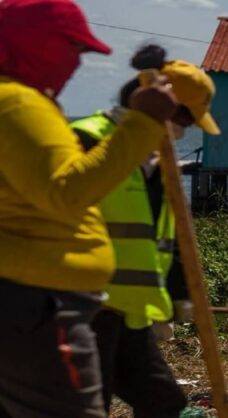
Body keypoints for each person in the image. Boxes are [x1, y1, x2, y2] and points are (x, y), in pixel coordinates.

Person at [0, 1, 179, 417]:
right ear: (37, 44)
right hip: (39, 304)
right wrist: (143, 123)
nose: (77, 64)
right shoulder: (19, 104)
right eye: (73, 49)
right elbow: (67, 191)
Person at [71, 44, 220, 418]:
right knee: (90, 406)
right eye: (184, 123)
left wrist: (179, 295)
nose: (182, 133)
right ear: (166, 109)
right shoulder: (89, 140)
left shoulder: (160, 164)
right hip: (85, 307)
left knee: (163, 402)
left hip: (129, 313)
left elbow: (163, 238)